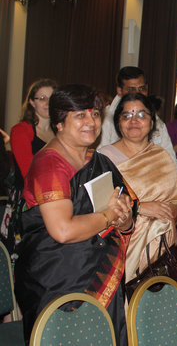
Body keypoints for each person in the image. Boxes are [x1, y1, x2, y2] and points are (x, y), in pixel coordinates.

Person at [14, 85, 134, 345]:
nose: (90, 122)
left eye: (94, 114)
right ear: (59, 123)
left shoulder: (98, 161)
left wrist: (123, 220)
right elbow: (63, 230)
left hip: (99, 271)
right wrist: (108, 215)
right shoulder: (50, 164)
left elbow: (125, 213)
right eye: (80, 115)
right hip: (57, 279)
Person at [99, 93, 177, 282]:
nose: (133, 121)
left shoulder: (160, 156)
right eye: (126, 115)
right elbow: (100, 206)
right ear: (118, 122)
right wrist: (142, 207)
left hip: (162, 243)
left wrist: (173, 210)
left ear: (152, 121)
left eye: (141, 115)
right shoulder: (104, 158)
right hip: (123, 244)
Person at [97, 66, 177, 170]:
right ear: (120, 90)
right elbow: (100, 162)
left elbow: (172, 164)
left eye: (142, 89)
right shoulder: (105, 119)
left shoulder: (156, 121)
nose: (138, 93)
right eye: (131, 89)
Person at [10, 79, 57, 179]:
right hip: (29, 191)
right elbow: (28, 172)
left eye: (52, 98)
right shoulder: (20, 131)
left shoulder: (60, 130)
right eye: (42, 98)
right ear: (32, 102)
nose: (48, 103)